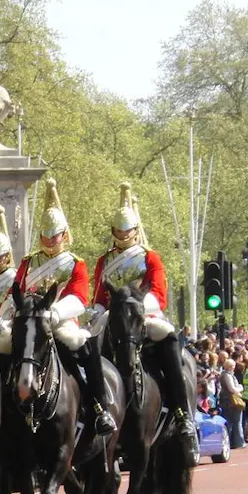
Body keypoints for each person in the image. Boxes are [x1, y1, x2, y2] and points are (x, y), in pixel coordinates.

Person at [90, 181, 198, 464]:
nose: (123, 235)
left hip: (145, 316)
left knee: (170, 339)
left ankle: (182, 413)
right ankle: (96, 409)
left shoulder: (150, 257)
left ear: (135, 231)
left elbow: (159, 295)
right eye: (119, 230)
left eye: (127, 230)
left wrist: (134, 307)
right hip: (115, 317)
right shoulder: (105, 261)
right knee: (90, 345)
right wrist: (97, 310)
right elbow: (100, 295)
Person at [4, 178, 115, 437]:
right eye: (46, 236)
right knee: (0, 347)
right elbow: (15, 291)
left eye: (55, 236)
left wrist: (54, 313)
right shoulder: (29, 262)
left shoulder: (75, 263)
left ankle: (99, 407)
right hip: (29, 319)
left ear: (64, 235)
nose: (50, 241)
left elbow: (79, 297)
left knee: (83, 347)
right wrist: (13, 310)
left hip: (59, 320)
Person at [220, 359, 245, 449]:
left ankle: (231, 442)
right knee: (236, 422)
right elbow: (232, 389)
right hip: (231, 401)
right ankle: (239, 442)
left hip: (226, 401)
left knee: (230, 422)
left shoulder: (225, 375)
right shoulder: (227, 376)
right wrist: (241, 388)